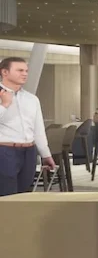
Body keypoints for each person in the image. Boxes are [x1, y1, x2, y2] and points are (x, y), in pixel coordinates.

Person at [0, 57, 55, 196]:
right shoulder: (2, 98)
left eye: (26, 70)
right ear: (4, 72)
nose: (24, 74)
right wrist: (4, 105)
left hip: (29, 152)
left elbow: (38, 129)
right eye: (19, 70)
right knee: (7, 195)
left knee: (24, 196)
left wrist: (45, 153)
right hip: (4, 151)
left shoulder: (32, 99)